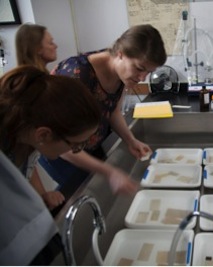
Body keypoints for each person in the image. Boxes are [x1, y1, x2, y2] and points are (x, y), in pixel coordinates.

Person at [38, 24, 167, 197]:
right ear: (120, 53)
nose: (142, 78)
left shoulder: (121, 73)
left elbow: (113, 111)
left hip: (88, 144)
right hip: (62, 151)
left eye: (148, 72)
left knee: (101, 188)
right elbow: (63, 143)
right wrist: (109, 171)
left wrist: (131, 140)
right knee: (82, 194)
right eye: (139, 68)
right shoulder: (77, 75)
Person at [0, 65, 101, 265]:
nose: (77, 150)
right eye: (76, 144)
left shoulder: (25, 134)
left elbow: (26, 170)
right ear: (44, 135)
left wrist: (41, 195)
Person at [15, 22, 65, 210]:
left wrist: (44, 194)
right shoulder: (30, 88)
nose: (56, 45)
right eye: (50, 42)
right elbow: (24, 150)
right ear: (36, 49)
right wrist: (43, 195)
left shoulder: (45, 79)